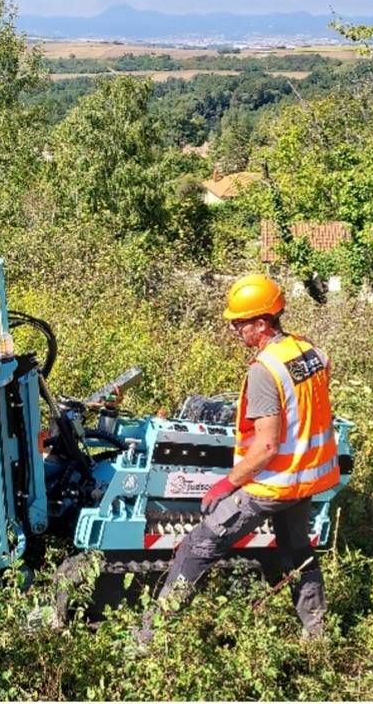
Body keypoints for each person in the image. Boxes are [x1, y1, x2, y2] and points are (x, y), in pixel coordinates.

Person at [137, 273, 339, 645]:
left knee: (198, 547)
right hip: (306, 480)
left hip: (272, 484)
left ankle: (150, 640)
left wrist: (227, 483)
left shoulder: (265, 371)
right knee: (298, 551)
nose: (234, 328)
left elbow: (265, 446)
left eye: (239, 322)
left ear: (262, 323)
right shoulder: (308, 351)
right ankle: (317, 635)